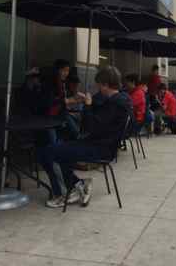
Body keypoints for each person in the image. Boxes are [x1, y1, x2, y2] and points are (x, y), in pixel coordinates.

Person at [39, 66, 133, 208]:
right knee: (58, 150)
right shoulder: (120, 99)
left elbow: (91, 126)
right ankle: (77, 185)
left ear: (106, 85)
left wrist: (88, 106)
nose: (98, 88)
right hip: (100, 144)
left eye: (99, 85)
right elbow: (102, 114)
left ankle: (64, 193)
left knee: (48, 153)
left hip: (100, 148)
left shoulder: (116, 103)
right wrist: (88, 102)